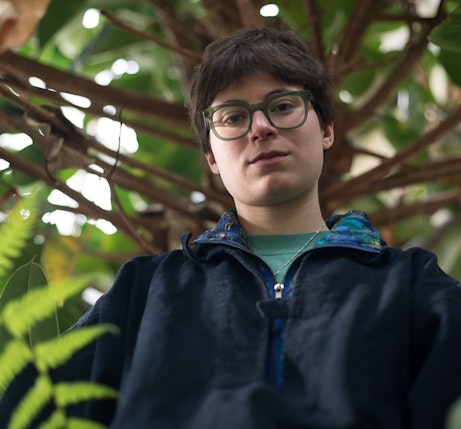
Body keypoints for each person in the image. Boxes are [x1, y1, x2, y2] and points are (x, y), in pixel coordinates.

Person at [1, 27, 461, 429]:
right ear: (211, 159)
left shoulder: (411, 285)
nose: (260, 127)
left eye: (283, 106)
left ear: (326, 130)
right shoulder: (144, 291)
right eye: (233, 117)